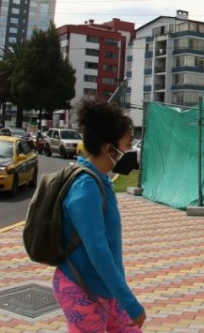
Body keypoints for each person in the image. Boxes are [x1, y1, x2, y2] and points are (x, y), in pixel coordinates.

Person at [53, 100, 147, 331]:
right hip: (82, 288)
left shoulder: (101, 179)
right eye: (126, 145)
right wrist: (129, 301)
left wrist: (120, 292)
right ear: (109, 149)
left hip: (107, 287)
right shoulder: (85, 188)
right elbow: (98, 249)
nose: (130, 151)